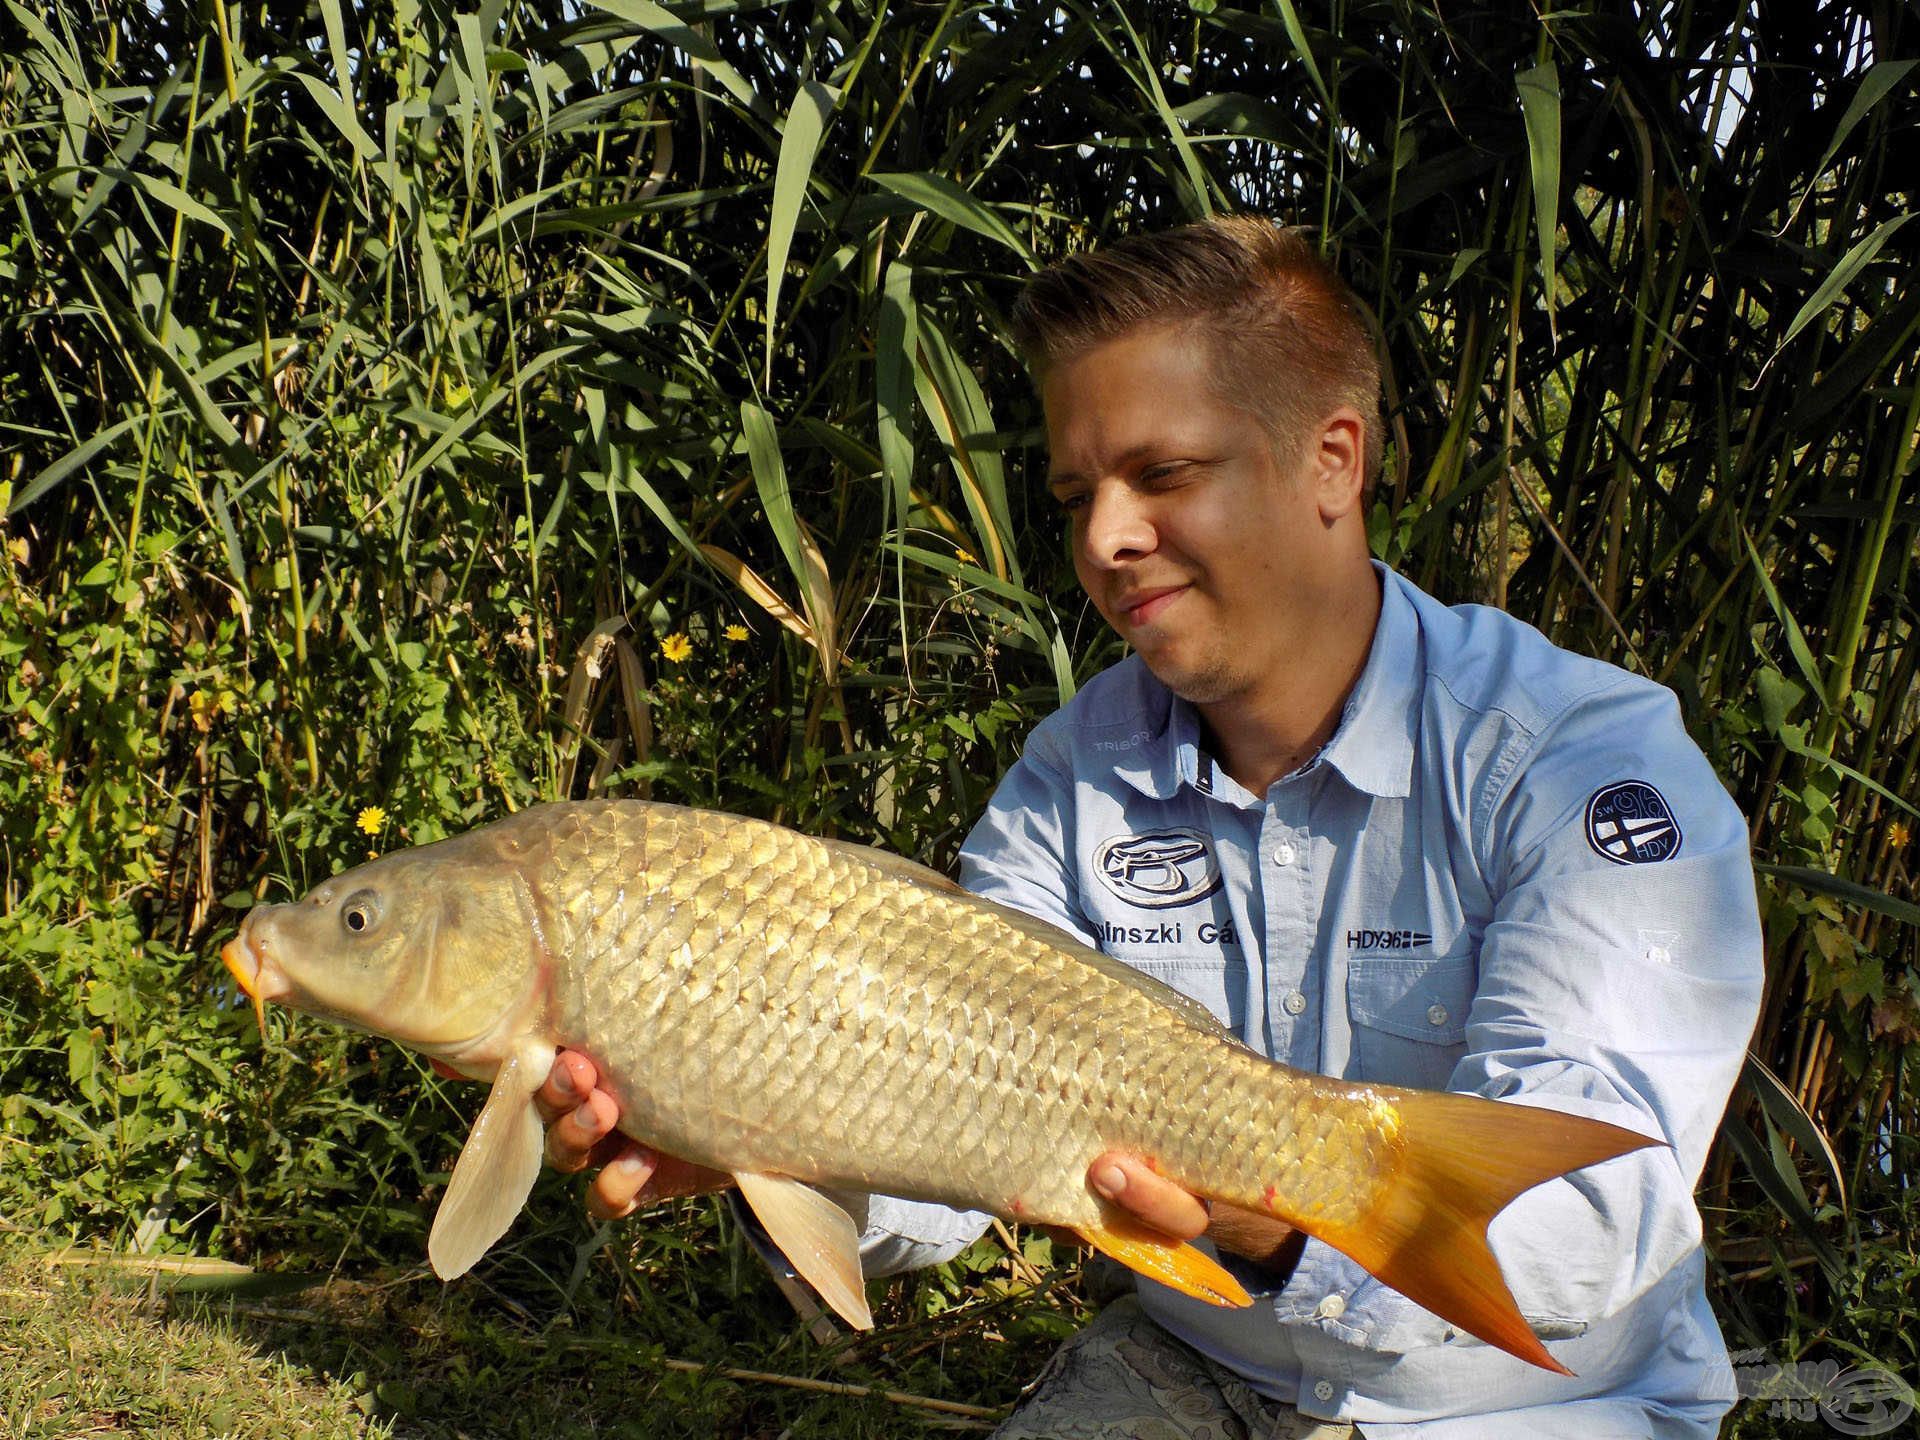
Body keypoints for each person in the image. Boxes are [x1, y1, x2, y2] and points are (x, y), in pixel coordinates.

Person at [528, 218, 1764, 1437]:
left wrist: (1273, 1215)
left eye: (1163, 476)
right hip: (1204, 1359)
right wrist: (763, 1128)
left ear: (1335, 458)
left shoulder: (1578, 763)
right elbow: (952, 1154)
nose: (1105, 541)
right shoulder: (1072, 777)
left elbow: (1603, 1214)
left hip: (1536, 1398)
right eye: (1077, 494)